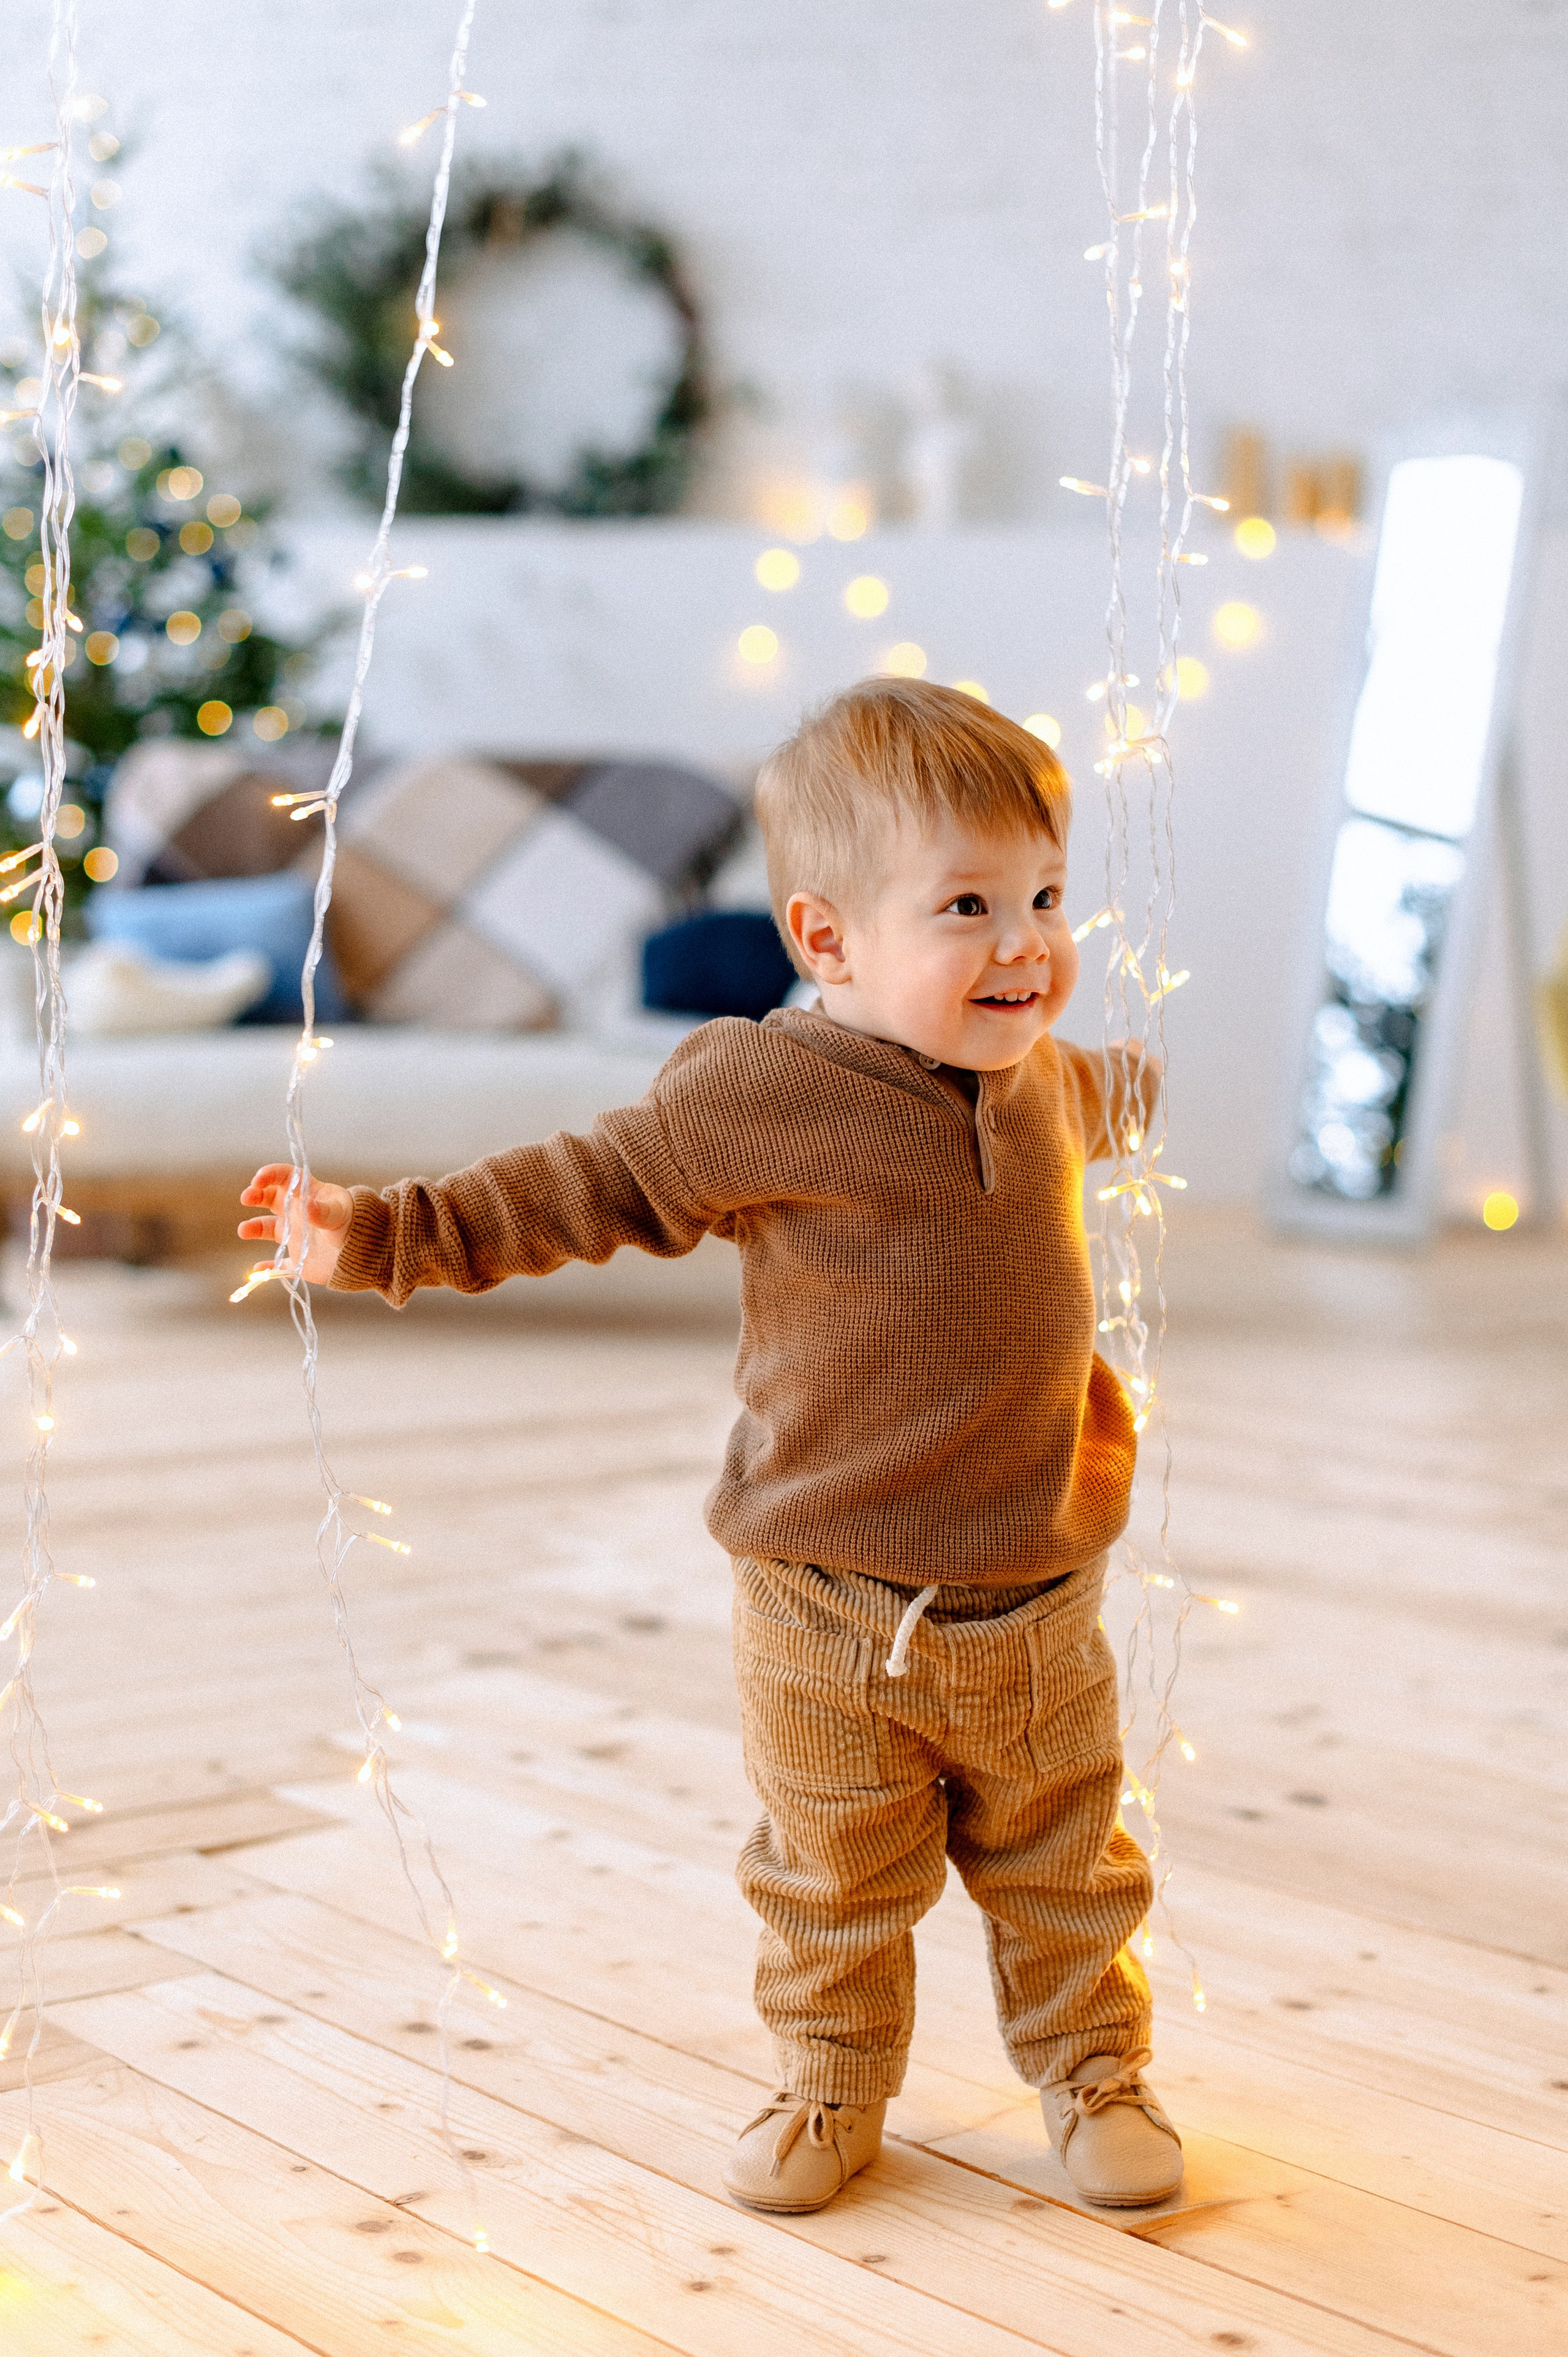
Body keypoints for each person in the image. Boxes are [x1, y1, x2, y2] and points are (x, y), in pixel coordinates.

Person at [239, 677, 1182, 2216]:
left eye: (1045, 896)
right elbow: (580, 1185)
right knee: (832, 1879)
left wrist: (1175, 1098)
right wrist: (379, 1237)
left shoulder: (1049, 1082)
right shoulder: (761, 1089)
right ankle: (826, 2082)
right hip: (825, 1604)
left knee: (1070, 1872)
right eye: (967, 906)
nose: (1026, 944)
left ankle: (1094, 2075)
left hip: (1038, 1597)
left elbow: (1106, 1104)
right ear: (826, 941)